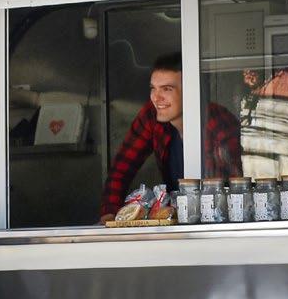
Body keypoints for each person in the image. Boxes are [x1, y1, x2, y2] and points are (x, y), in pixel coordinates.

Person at [99, 52, 242, 219]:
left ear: (190, 92)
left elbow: (236, 188)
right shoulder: (152, 115)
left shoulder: (217, 123)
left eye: (167, 89)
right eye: (153, 88)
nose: (156, 98)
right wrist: (109, 214)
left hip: (217, 220)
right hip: (179, 216)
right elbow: (121, 169)